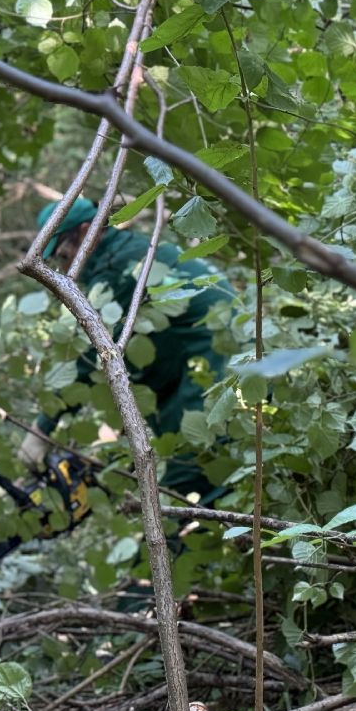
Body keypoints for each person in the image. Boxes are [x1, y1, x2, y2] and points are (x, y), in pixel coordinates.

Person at [19, 197, 236, 504]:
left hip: (213, 365)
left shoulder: (119, 268)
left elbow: (93, 357)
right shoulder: (133, 251)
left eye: (64, 255)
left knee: (189, 483)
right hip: (200, 366)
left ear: (86, 232)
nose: (65, 267)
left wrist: (42, 430)